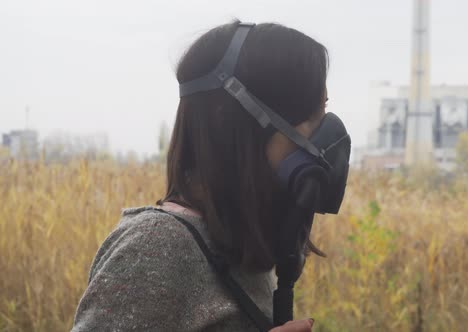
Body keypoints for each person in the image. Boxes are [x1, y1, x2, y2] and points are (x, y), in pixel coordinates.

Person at [71, 20, 347, 331]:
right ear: (240, 126)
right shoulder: (154, 247)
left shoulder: (235, 245)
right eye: (311, 117)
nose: (325, 141)